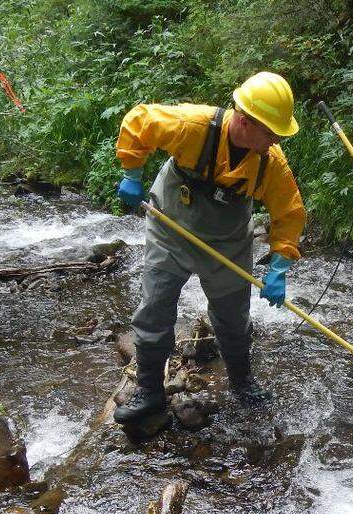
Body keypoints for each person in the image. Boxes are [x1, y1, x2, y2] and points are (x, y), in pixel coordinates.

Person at [112, 72, 307, 425]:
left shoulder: (270, 162)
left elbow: (289, 212)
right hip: (171, 228)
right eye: (271, 131)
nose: (276, 139)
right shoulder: (192, 126)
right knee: (155, 307)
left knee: (233, 317)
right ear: (245, 122)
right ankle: (150, 392)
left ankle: (242, 382)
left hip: (228, 241)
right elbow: (139, 122)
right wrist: (132, 172)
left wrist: (279, 264)